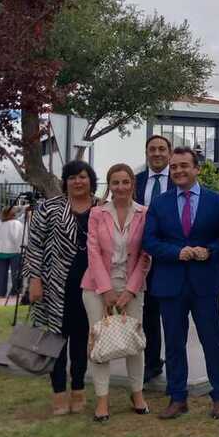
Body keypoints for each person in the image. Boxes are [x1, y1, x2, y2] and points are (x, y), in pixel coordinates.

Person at [142, 146, 219, 420]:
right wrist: (176, 253)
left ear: (196, 169)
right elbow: (149, 241)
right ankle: (177, 397)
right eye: (175, 166)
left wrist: (210, 252)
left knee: (212, 339)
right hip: (170, 282)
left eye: (184, 165)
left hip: (205, 282)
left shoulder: (217, 201)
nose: (179, 171)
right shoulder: (160, 203)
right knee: (173, 342)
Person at [23, 160, 100, 416]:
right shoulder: (49, 207)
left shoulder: (102, 208)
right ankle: (58, 393)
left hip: (90, 286)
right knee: (55, 341)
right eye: (72, 177)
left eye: (82, 176)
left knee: (81, 340)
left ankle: (78, 389)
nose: (78, 182)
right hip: (54, 285)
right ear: (64, 182)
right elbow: (34, 245)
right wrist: (34, 279)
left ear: (91, 180)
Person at [82, 163, 152, 422]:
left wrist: (130, 291)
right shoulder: (97, 213)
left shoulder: (144, 213)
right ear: (109, 186)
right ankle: (102, 399)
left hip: (132, 288)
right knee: (100, 342)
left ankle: (137, 393)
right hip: (96, 288)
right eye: (115, 182)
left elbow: (146, 256)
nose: (120, 187)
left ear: (133, 184)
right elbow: (92, 253)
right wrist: (107, 290)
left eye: (125, 182)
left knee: (135, 345)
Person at [135, 133, 172, 382]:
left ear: (168, 153)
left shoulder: (180, 179)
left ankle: (176, 361)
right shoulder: (135, 181)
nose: (157, 153)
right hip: (141, 257)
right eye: (152, 149)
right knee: (147, 312)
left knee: (171, 313)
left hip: (170, 256)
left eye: (161, 149)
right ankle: (151, 362)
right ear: (147, 153)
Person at [0, 205, 24, 298]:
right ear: (13, 214)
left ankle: (1, 293)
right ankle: (15, 292)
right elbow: (18, 238)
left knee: (1, 275)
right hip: (14, 252)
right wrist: (22, 250)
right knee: (16, 274)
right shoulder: (16, 224)